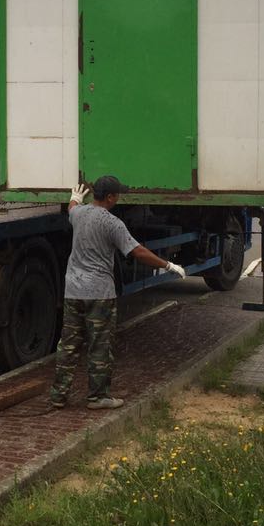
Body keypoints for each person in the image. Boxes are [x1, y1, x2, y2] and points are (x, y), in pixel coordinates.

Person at [49, 176, 186, 411]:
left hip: (73, 291)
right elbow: (137, 252)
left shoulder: (79, 214)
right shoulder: (113, 223)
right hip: (99, 294)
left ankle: (58, 396)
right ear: (110, 197)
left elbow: (71, 209)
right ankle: (97, 397)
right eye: (117, 194)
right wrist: (167, 265)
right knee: (99, 346)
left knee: (68, 345)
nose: (119, 197)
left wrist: (74, 198)